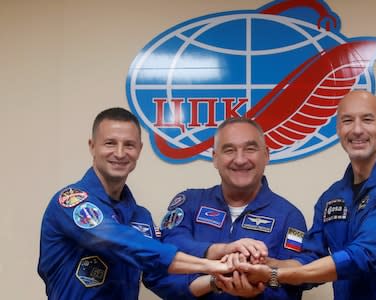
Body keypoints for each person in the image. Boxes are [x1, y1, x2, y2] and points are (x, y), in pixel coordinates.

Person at [235, 90, 376, 300]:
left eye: (367, 120)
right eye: (347, 121)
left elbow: (365, 255)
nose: (357, 130)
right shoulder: (330, 197)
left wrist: (277, 274)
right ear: (338, 129)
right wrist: (264, 265)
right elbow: (312, 258)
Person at [38, 107, 232, 300]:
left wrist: (216, 280)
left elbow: (162, 280)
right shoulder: (70, 202)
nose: (120, 153)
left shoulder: (141, 217)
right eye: (110, 143)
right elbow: (120, 241)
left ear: (139, 149)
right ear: (92, 146)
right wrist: (210, 263)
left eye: (129, 145)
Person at [143, 117, 307, 299]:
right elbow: (158, 271)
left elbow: (296, 282)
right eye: (229, 150)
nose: (240, 159)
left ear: (266, 155)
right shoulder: (189, 203)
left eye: (250, 149)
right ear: (215, 158)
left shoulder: (290, 217)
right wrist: (217, 258)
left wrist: (258, 286)